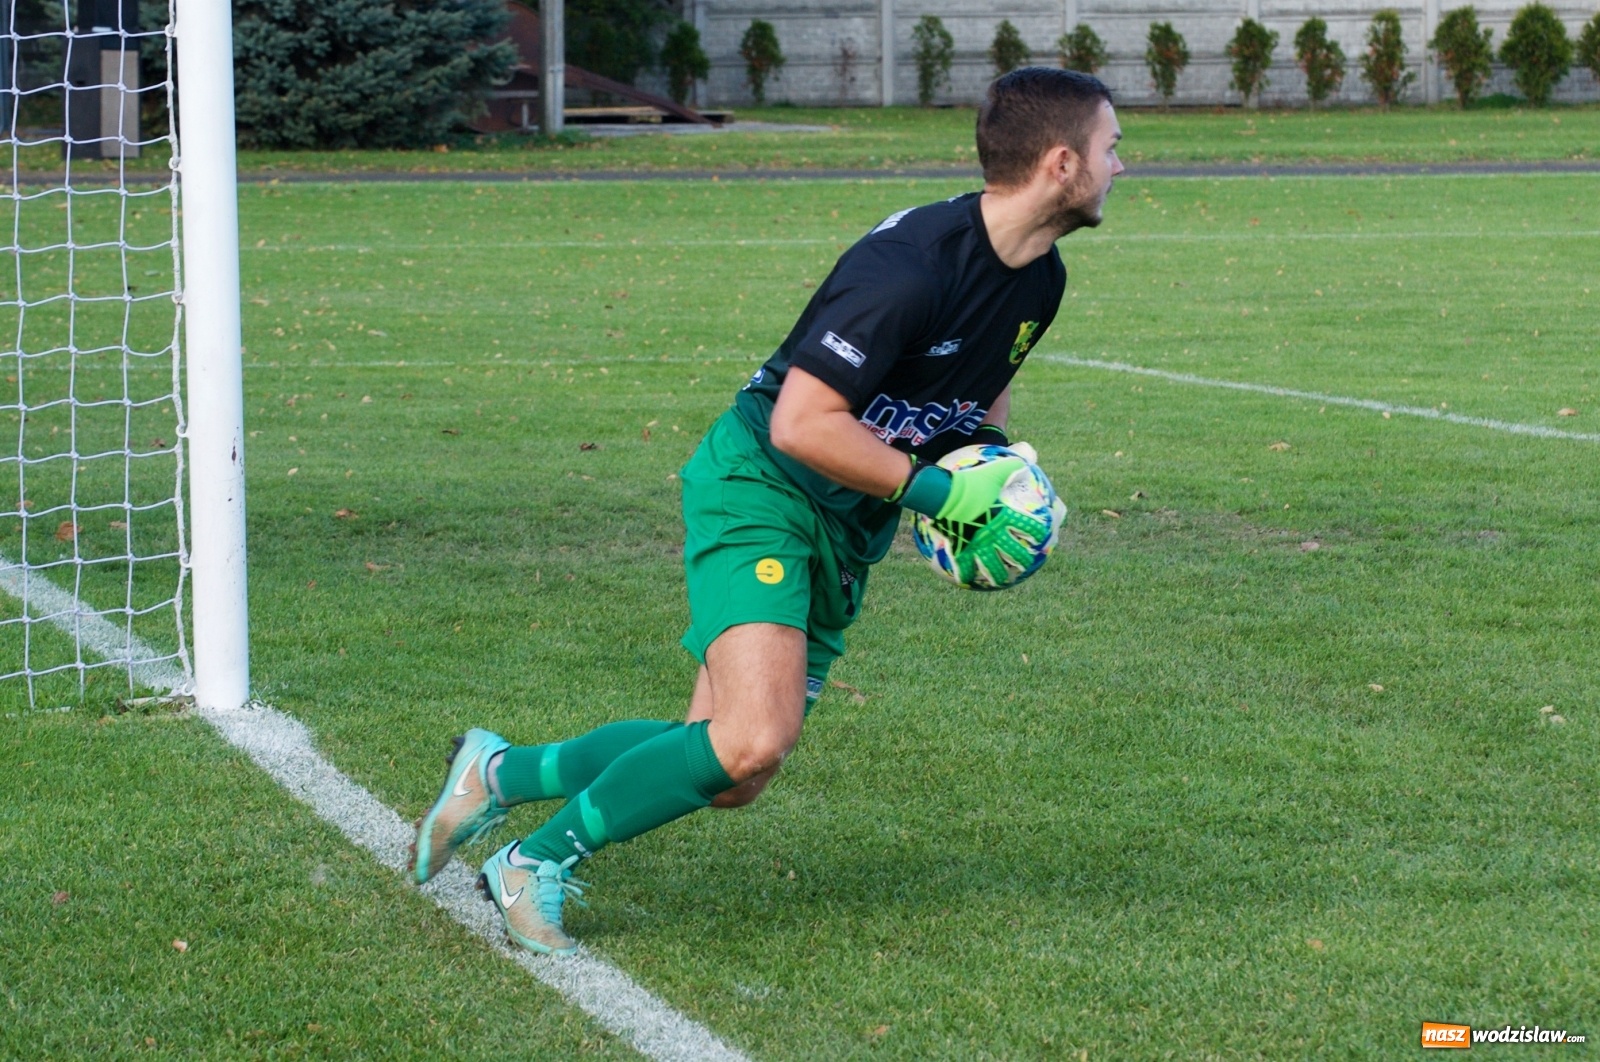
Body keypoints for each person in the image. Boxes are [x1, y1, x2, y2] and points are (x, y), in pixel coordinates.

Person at [409, 67, 1124, 955]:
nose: (1121, 165)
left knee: (726, 766)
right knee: (753, 739)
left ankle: (498, 770)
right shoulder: (906, 271)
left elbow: (979, 400)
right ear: (1062, 164)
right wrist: (941, 493)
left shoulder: (1039, 279)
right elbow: (799, 423)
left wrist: (993, 481)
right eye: (1111, 147)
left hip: (848, 519)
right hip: (764, 485)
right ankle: (532, 860)